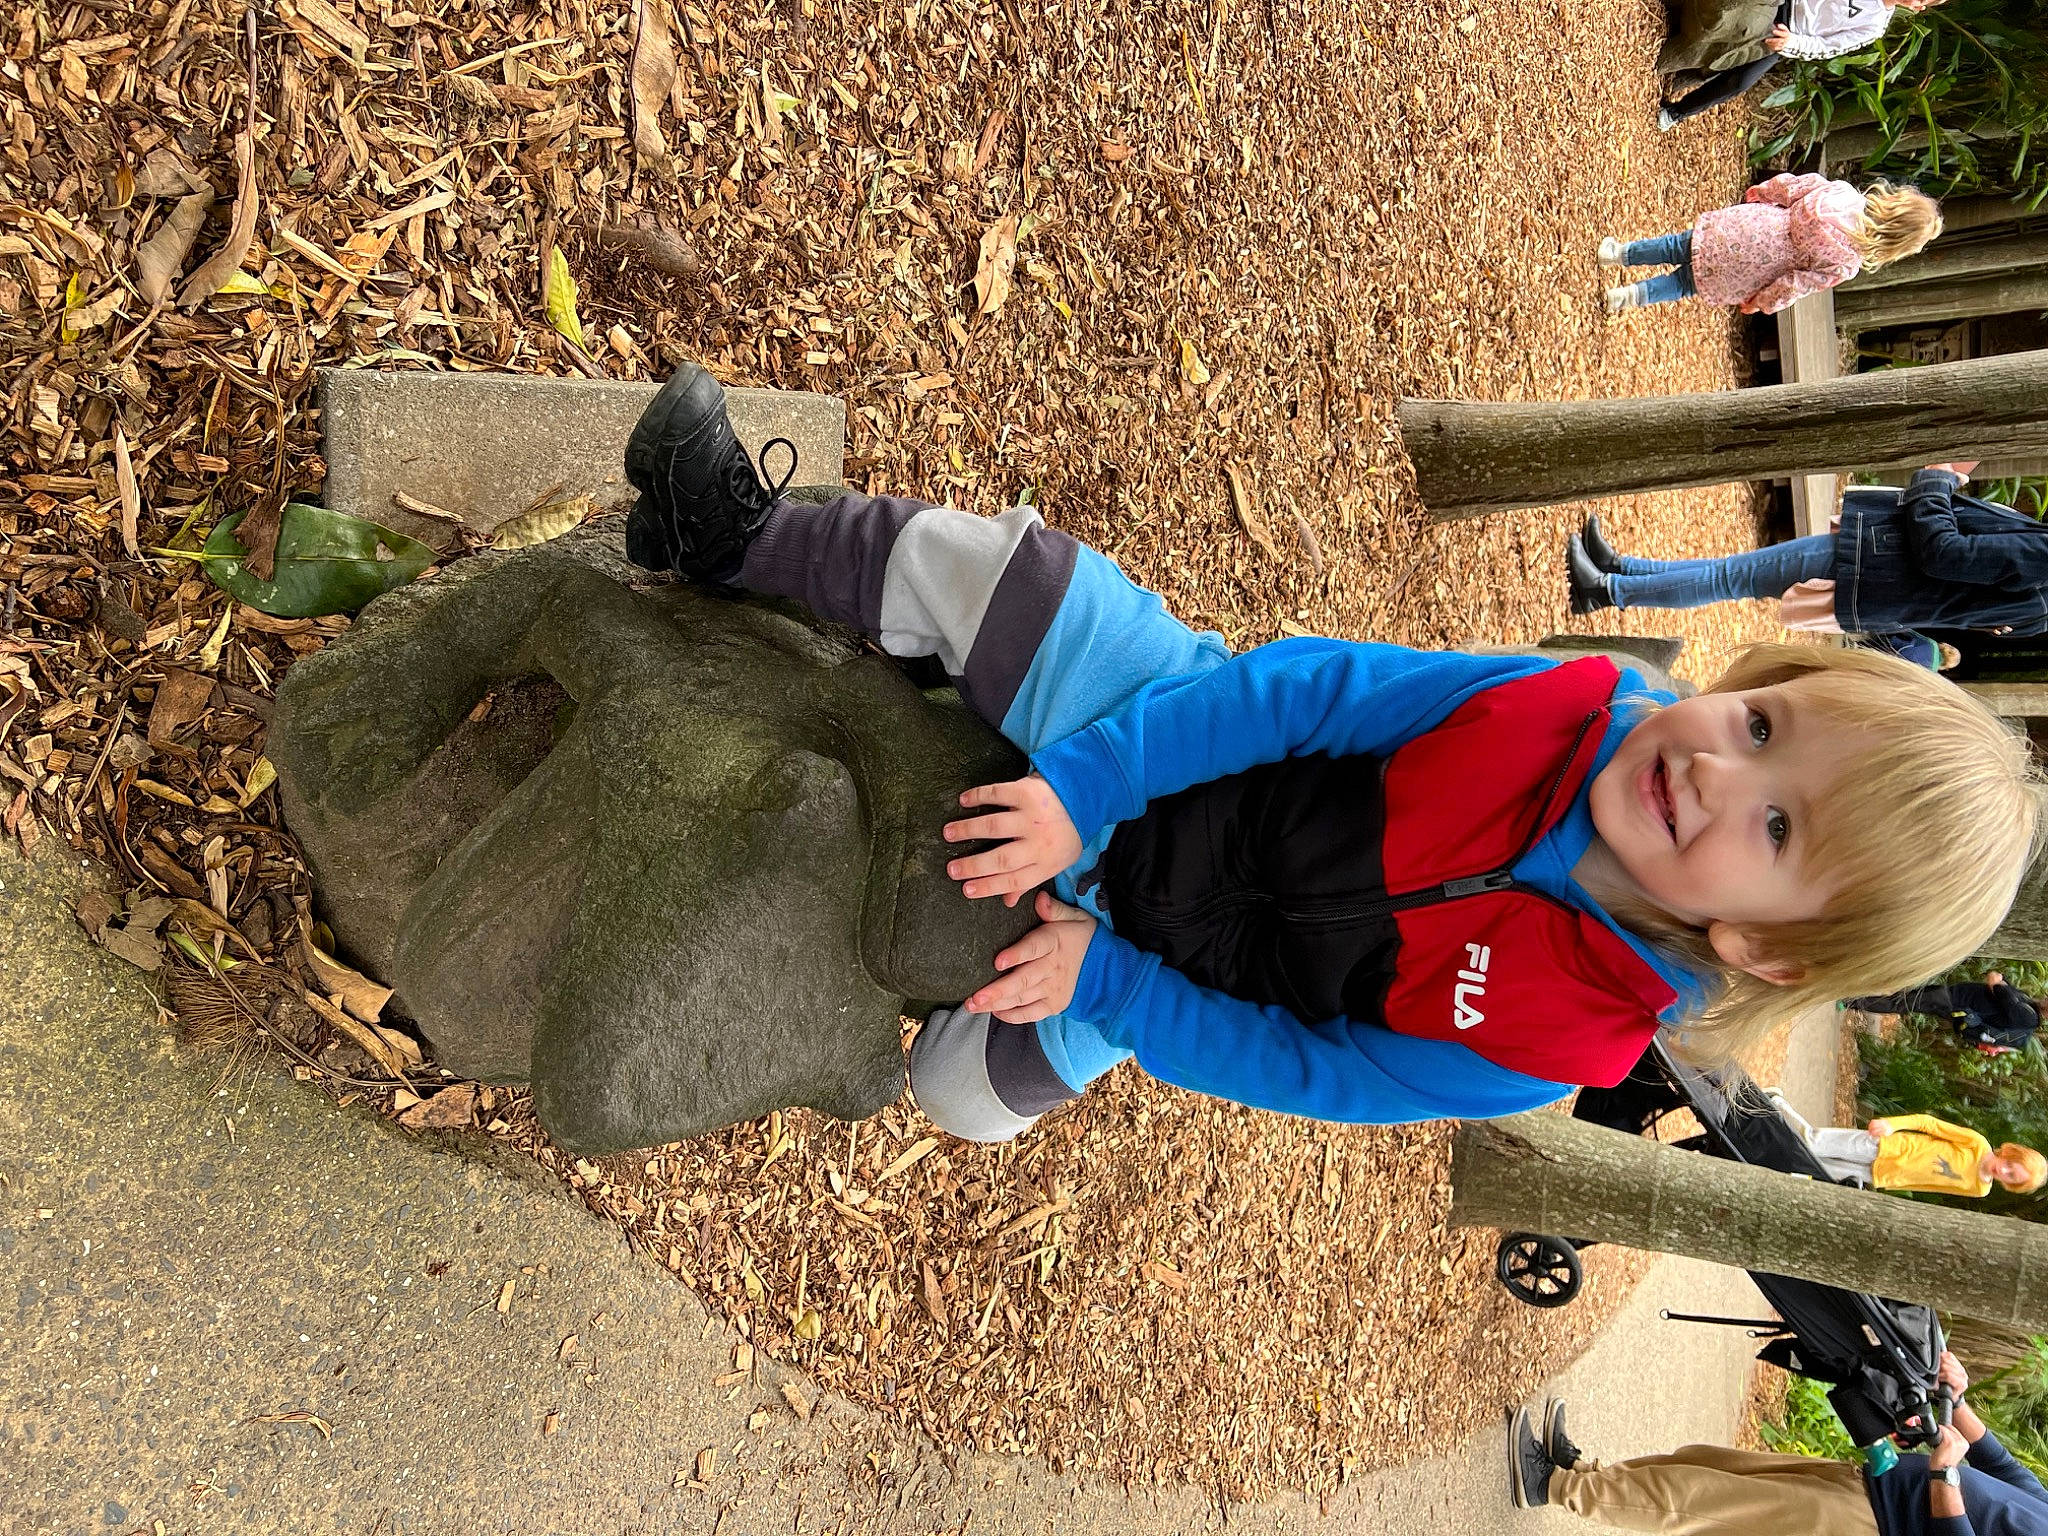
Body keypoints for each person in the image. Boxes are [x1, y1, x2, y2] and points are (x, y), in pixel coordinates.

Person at [623, 363, 2043, 1144]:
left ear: (1772, 955)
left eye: (1780, 829)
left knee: (964, 1102)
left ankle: (864, 968)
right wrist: (1084, 788)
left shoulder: (1546, 1051)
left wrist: (1108, 979)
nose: (1720, 773)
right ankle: (731, 542)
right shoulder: (1571, 707)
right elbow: (1303, 692)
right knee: (1011, 577)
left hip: (1170, 971)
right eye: (1759, 723)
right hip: (1178, 758)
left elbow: (1307, 1067)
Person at [1511, 1353, 2048, 1535]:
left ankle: (1553, 1487)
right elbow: (2005, 1470)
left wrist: (1943, 1475)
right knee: (1709, 1465)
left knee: (1701, 1502)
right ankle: (1585, 1473)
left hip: (1872, 1525)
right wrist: (1953, 1394)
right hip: (1875, 1483)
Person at [1567, 464, 2048, 643]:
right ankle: (1621, 569)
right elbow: (1974, 610)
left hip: (1869, 561)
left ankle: (1606, 591)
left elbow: (1944, 553)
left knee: (1728, 578)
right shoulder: (2042, 615)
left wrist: (1936, 479)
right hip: (1875, 585)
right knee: (1729, 573)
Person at [1599, 175, 1940, 316]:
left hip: (1752, 228)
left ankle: (1619, 254)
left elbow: (1790, 187)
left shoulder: (1843, 193)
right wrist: (1761, 303)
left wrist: (1759, 194)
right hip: (1754, 272)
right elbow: (1793, 285)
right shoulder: (1846, 264)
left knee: (1678, 246)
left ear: (1895, 199)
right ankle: (1627, 297)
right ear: (1899, 245)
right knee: (1684, 284)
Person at [1657, 0, 1949, 129]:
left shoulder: (1873, 26)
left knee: (1740, 81)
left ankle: (1676, 111)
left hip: (1790, 31)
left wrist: (1792, 43)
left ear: (1917, 7)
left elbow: (1827, 47)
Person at [1772, 1104, 2048, 1195]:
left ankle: (1765, 1148)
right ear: (2010, 1154)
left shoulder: (1980, 1189)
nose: (2005, 1170)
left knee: (1815, 1165)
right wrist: (1892, 1125)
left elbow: (1929, 1186)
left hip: (1883, 1175)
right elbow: (1929, 1124)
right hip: (1888, 1146)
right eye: (2011, 1165)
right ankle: (1774, 1106)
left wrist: (1892, 1184)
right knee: (1814, 1141)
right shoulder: (1978, 1144)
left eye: (2012, 1176)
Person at [1848, 974, 2044, 1054]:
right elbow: (2000, 984)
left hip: (1954, 1004)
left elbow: (1996, 983)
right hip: (1954, 996)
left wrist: (1998, 985)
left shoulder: (2028, 1017)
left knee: (1902, 1003)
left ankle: (1851, 1001)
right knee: (1905, 999)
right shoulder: (2027, 1003)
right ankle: (1854, 997)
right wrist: (1999, 985)